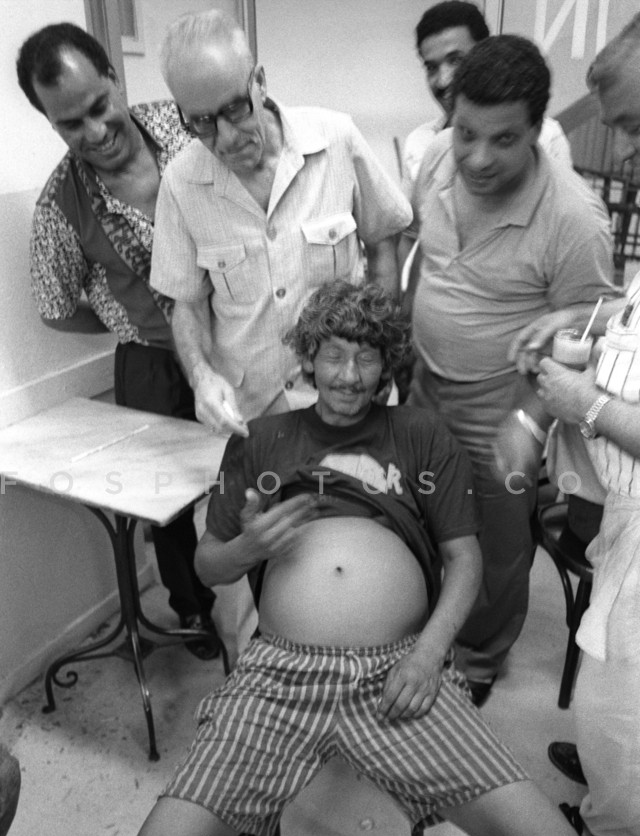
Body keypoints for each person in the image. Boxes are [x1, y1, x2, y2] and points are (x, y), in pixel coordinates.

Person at [127, 279, 585, 836]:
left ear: (387, 363)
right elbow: (208, 565)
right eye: (333, 354)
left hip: (400, 671)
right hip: (277, 677)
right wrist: (249, 547)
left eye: (367, 356)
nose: (349, 374)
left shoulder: (420, 434)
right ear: (307, 358)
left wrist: (429, 655)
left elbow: (465, 560)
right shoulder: (264, 439)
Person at [401, 34, 618, 704]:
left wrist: (532, 419)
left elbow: (594, 332)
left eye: (503, 140)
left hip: (505, 403)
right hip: (424, 383)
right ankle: (426, 622)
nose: (476, 157)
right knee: (420, 511)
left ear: (536, 131)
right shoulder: (437, 158)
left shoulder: (574, 218)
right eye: (466, 132)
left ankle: (478, 658)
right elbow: (424, 256)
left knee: (495, 541)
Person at [16, 23, 219, 659]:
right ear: (51, 124)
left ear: (114, 77)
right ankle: (193, 610)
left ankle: (283, 600)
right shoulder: (58, 206)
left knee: (260, 471)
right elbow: (55, 309)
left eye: (99, 106)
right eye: (71, 123)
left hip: (243, 340)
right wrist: (123, 317)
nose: (95, 131)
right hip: (152, 366)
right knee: (168, 503)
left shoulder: (187, 128)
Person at [150, 8, 412, 436]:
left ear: (260, 82)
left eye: (235, 109)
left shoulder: (336, 140)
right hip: (253, 413)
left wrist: (375, 356)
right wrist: (202, 378)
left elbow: (383, 243)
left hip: (350, 400)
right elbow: (189, 305)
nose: (226, 137)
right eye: (202, 122)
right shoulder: (181, 183)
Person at [512, 12, 640, 836]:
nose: (623, 152)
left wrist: (586, 404)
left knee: (619, 694)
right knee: (610, 681)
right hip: (624, 513)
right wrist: (592, 334)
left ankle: (620, 827)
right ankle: (613, 781)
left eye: (636, 128)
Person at [401, 1, 572, 191]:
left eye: (456, 60)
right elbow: (410, 210)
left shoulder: (545, 137)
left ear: (485, 54)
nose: (443, 80)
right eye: (432, 68)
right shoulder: (420, 142)